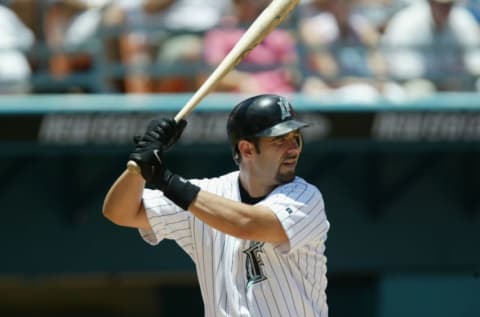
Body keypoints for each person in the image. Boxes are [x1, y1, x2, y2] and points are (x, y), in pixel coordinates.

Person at [103, 94, 330, 317]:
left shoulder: (305, 197)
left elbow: (247, 223)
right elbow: (118, 212)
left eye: (296, 137)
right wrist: (140, 167)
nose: (294, 148)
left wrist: (166, 181)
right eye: (280, 139)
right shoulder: (207, 196)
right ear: (247, 149)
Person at [381, 0, 480, 92]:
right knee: (421, 88)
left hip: (455, 83)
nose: (444, 9)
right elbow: (401, 67)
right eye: (439, 4)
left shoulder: (463, 19)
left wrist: (456, 77)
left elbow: (475, 61)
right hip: (414, 82)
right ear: (429, 3)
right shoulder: (407, 20)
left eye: (448, 4)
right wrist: (440, 78)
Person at [202, 0, 299, 93]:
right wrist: (242, 81)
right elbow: (213, 74)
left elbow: (291, 71)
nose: (255, 3)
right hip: (240, 99)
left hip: (280, 94)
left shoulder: (278, 33)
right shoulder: (221, 32)